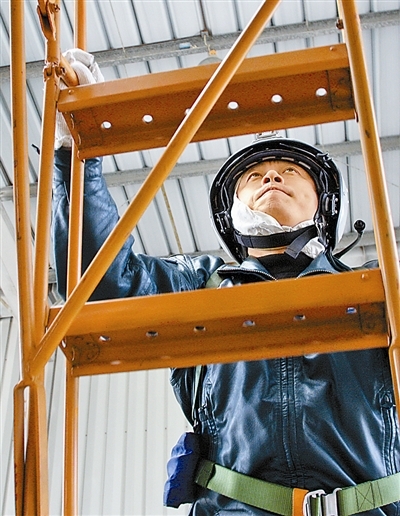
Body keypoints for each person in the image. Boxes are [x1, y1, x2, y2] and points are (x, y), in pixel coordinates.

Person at [52, 50, 400, 516]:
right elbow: (100, 281)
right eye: (253, 176)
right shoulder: (201, 286)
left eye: (290, 171)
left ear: (323, 204)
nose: (271, 175)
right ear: (234, 215)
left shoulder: (378, 290)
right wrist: (75, 156)